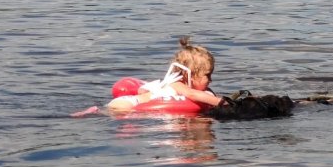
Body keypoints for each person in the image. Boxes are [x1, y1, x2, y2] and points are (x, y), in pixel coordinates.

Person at [72, 37, 224, 117]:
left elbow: (143, 90)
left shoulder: (169, 83)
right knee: (108, 113)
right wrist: (224, 103)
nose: (210, 80)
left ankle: (96, 110)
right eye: (207, 75)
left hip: (130, 101)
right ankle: (93, 111)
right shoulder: (178, 85)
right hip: (126, 104)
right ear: (189, 74)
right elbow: (191, 94)